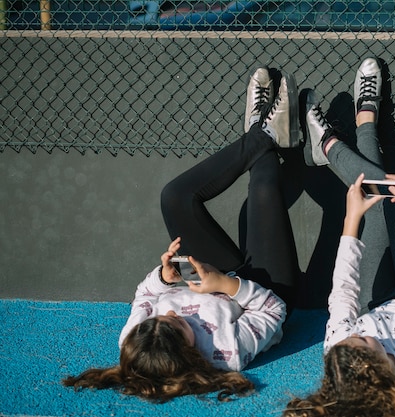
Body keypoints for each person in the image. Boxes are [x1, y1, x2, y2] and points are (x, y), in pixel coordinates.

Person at [63, 67, 302, 403]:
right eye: (176, 327)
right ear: (192, 353)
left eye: (160, 319)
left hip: (205, 274)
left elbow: (145, 295)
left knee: (175, 197)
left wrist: (163, 277)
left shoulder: (133, 340)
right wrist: (225, 286)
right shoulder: (225, 352)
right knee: (262, 192)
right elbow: (273, 312)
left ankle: (261, 133)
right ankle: (260, 133)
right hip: (261, 293)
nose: (171, 314)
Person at [284, 58, 395, 417]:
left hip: (374, 299)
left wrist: (352, 219)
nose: (370, 334)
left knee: (377, 202)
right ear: (385, 367)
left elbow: (344, 292)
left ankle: (346, 133)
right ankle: (337, 140)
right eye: (368, 339)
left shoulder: (340, 357)